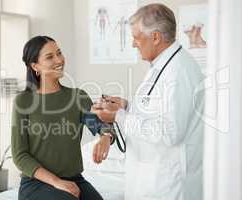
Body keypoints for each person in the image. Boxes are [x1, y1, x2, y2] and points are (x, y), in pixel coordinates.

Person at [92, 4, 204, 200]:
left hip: (167, 186)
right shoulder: (163, 65)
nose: (133, 44)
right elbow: (158, 110)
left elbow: (169, 132)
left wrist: (118, 116)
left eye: (136, 37)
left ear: (155, 37)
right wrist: (126, 106)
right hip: (152, 180)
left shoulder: (177, 72)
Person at [11, 36, 115, 200]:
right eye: (50, 57)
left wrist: (105, 137)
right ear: (35, 66)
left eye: (59, 53)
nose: (59, 59)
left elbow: (100, 124)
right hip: (36, 184)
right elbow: (19, 155)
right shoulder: (24, 102)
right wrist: (57, 182)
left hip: (75, 180)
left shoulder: (77, 97)